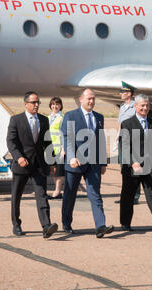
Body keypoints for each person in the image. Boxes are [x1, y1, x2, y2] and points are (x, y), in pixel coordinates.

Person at [61, 88, 114, 238]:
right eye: (89, 98)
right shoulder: (71, 116)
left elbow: (101, 140)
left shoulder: (99, 117)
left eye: (93, 99)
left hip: (94, 163)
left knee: (95, 194)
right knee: (70, 195)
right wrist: (71, 157)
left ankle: (100, 226)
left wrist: (103, 162)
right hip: (75, 163)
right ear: (80, 99)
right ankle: (66, 223)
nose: (91, 101)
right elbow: (67, 138)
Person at [6, 91, 58, 239]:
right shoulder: (16, 120)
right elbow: (11, 141)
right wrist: (18, 157)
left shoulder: (43, 120)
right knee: (17, 196)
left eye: (38, 102)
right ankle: (16, 224)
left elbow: (47, 142)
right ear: (25, 104)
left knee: (42, 195)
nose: (36, 105)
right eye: (33, 102)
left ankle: (46, 226)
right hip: (21, 164)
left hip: (38, 165)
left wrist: (52, 161)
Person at [119, 94, 152, 234]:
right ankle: (125, 223)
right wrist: (132, 162)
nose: (145, 108)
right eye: (142, 105)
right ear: (135, 106)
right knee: (128, 196)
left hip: (150, 166)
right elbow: (124, 146)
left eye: (147, 105)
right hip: (132, 167)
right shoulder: (127, 124)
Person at [114, 81, 141, 205]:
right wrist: (117, 137)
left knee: (134, 166)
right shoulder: (123, 107)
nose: (120, 94)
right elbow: (120, 123)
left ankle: (134, 196)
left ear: (129, 93)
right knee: (124, 167)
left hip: (132, 139)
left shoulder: (136, 106)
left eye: (122, 92)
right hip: (122, 139)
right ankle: (126, 195)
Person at [48, 97, 65, 199]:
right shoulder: (48, 117)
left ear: (60, 106)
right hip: (50, 148)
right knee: (53, 171)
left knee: (59, 171)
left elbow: (63, 134)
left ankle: (57, 191)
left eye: (57, 104)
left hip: (59, 148)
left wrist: (63, 148)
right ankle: (56, 190)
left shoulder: (62, 118)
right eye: (53, 104)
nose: (55, 106)